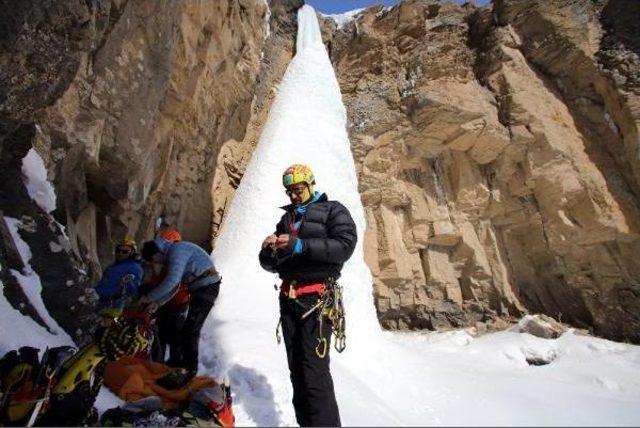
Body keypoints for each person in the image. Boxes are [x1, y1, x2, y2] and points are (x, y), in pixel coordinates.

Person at [259, 164, 357, 427]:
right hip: (289, 299)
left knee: (314, 374)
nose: (292, 196)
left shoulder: (333, 210)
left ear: (311, 185)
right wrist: (267, 253)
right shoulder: (286, 220)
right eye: (289, 191)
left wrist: (300, 245)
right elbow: (274, 266)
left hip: (316, 301)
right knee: (298, 372)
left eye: (298, 190)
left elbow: (344, 246)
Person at [138, 234, 221, 380]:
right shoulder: (175, 251)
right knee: (188, 330)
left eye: (153, 260)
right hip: (201, 287)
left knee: (191, 330)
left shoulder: (177, 251)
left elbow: (172, 281)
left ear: (156, 253)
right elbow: (175, 286)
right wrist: (157, 303)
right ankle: (178, 366)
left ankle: (189, 371)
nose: (156, 263)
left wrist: (149, 297)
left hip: (207, 287)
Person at [140, 228, 190, 367]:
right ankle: (161, 366)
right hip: (172, 303)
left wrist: (150, 297)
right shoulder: (173, 257)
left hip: (175, 303)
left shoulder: (175, 260)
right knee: (163, 335)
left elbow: (170, 283)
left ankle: (174, 367)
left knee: (171, 337)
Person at [95, 238, 143, 317]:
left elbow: (134, 290)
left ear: (132, 253)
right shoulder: (115, 265)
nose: (120, 253)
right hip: (99, 299)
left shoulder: (135, 268)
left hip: (111, 306)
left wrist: (128, 282)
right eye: (118, 251)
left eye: (125, 251)